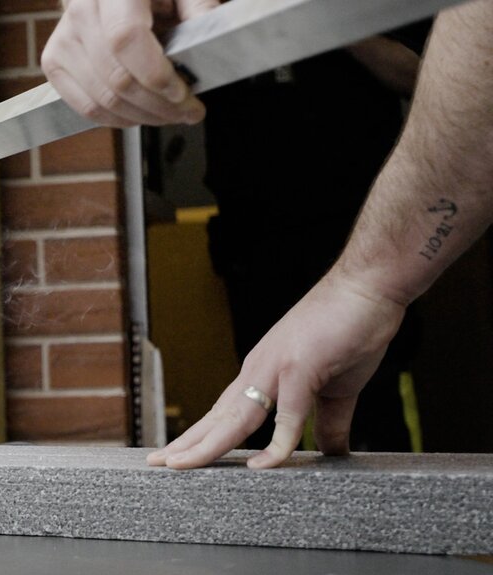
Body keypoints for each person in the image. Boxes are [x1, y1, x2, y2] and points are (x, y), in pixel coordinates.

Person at [40, 0, 493, 468]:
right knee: (266, 422)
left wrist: (373, 281)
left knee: (374, 423)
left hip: (362, 222)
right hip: (255, 242)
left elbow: (449, 69)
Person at [202, 25, 429, 454]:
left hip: (358, 224)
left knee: (372, 400)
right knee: (259, 399)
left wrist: (324, 18)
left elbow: (430, 74)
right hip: (254, 231)